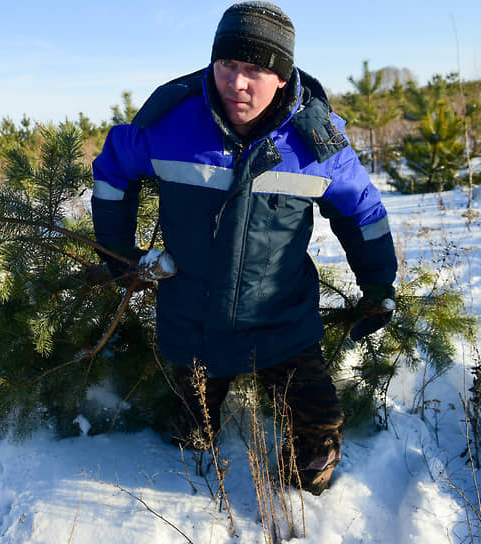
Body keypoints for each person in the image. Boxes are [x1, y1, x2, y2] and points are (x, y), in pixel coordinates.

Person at [90, 1, 397, 494]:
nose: (237, 83)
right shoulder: (171, 122)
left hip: (281, 321)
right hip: (193, 319)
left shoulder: (315, 141)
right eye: (228, 65)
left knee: (319, 433)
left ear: (281, 75)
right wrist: (118, 254)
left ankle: (301, 503)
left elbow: (361, 211)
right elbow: (111, 173)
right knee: (189, 438)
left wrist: (378, 282)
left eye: (255, 69)